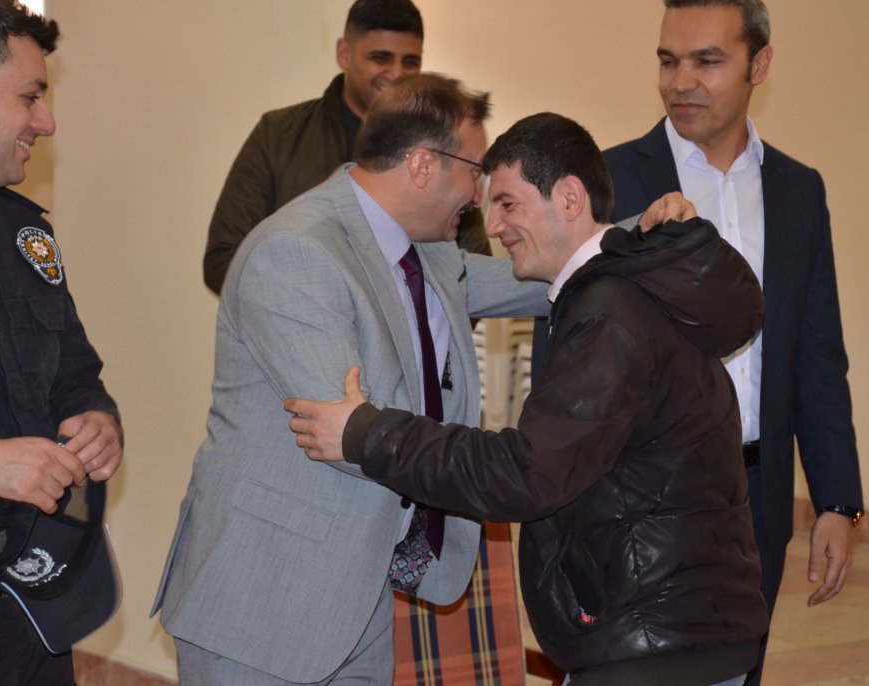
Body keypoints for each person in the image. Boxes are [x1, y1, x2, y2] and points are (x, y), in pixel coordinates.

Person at [287, 112, 769, 686]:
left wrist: (366, 432)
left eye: (508, 204)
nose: (492, 226)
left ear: (569, 198)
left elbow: (525, 473)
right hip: (674, 631)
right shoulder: (628, 295)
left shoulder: (610, 316)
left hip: (654, 645)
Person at [152, 73, 554, 685]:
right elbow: (344, 435)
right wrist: (492, 466)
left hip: (357, 596)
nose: (478, 197)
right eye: (475, 171)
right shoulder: (297, 251)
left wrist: (640, 238)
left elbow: (542, 277)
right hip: (262, 601)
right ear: (423, 165)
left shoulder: (426, 254)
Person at [601, 1, 864, 683]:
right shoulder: (610, 181)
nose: (680, 81)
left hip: (756, 497)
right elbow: (570, 353)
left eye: (707, 61)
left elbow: (817, 356)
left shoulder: (799, 191)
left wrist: (837, 502)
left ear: (760, 64)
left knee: (737, 673)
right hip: (640, 498)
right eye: (668, 61)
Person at [0, 1, 124, 683]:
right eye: (29, 97)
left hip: (29, 609)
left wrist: (96, 417)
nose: (45, 122)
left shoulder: (26, 236)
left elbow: (73, 368)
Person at [202, 0, 491, 295]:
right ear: (344, 54)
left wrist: (419, 317)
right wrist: (326, 309)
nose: (396, 74)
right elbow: (224, 260)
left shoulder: (441, 144)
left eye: (410, 62)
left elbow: (473, 270)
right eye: (380, 58)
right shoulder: (278, 134)